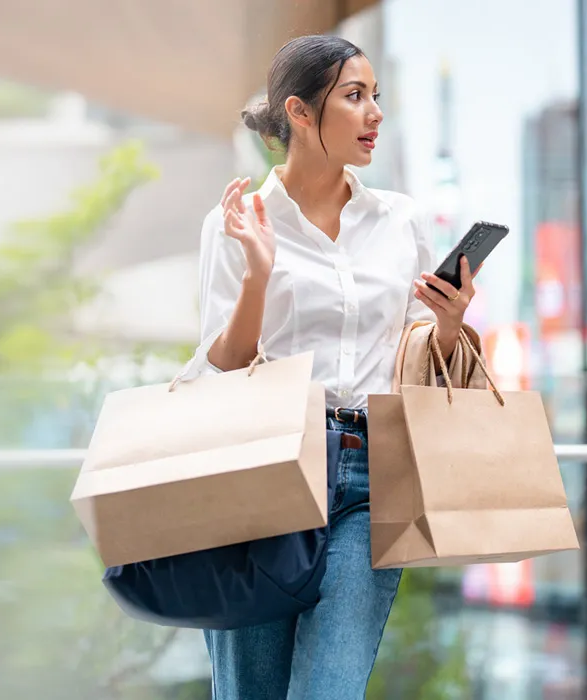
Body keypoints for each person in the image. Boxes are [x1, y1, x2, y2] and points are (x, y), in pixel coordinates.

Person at [184, 35, 481, 699]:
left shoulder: (399, 220)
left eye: (376, 95)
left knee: (332, 690)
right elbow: (222, 367)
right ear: (299, 112)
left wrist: (452, 321)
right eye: (355, 96)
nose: (375, 112)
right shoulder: (237, 223)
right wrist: (259, 275)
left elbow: (415, 354)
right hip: (266, 470)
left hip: (373, 472)